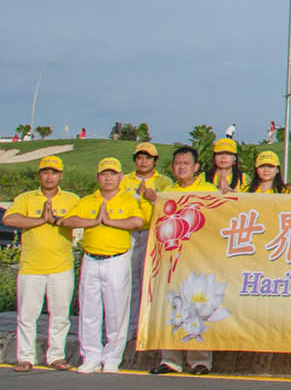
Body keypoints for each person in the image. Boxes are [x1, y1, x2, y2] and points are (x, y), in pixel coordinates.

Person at [61, 158, 149, 373]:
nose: (108, 178)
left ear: (120, 176)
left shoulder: (128, 199)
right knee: (89, 310)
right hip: (91, 258)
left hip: (116, 260)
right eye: (104, 174)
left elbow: (136, 222)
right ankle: (90, 355)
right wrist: (93, 222)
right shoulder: (89, 200)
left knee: (116, 310)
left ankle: (112, 357)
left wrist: (109, 222)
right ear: (98, 177)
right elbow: (68, 221)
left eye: (112, 174)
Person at [3, 155, 80, 371]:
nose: (49, 176)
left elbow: (79, 219)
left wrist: (58, 220)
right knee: (27, 314)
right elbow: (9, 219)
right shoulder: (26, 198)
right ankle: (25, 357)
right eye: (45, 172)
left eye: (54, 172)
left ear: (61, 175)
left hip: (61, 266)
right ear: (40, 175)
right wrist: (39, 221)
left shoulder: (71, 199)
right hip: (31, 266)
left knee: (60, 315)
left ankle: (56, 356)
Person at [151, 149, 217, 374]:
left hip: (200, 258)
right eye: (177, 163)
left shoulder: (209, 191)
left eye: (186, 163)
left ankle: (200, 360)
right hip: (171, 260)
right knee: (170, 306)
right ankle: (170, 359)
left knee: (198, 305)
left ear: (196, 167)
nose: (181, 167)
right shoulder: (167, 192)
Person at [126, 141, 171, 337]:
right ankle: (131, 327)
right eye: (140, 157)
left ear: (155, 161)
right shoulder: (124, 180)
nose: (143, 161)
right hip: (128, 234)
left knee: (151, 282)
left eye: (148, 158)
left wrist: (155, 199)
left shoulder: (164, 182)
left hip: (153, 233)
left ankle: (149, 326)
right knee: (130, 282)